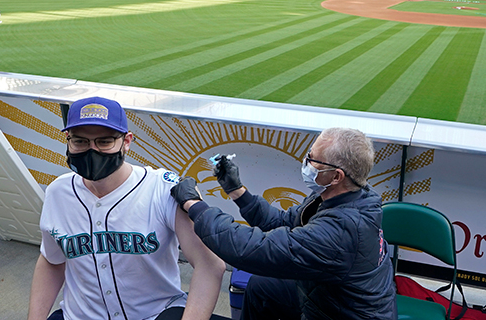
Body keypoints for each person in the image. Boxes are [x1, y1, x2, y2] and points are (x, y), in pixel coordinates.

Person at [28, 96, 227, 320]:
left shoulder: (162, 189)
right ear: (68, 140)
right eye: (80, 141)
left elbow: (209, 265)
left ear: (127, 141)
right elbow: (52, 261)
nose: (92, 150)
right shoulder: (58, 192)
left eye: (104, 141)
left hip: (155, 314)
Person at [170, 127, 397, 320]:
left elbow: (252, 249)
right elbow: (280, 222)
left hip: (343, 313)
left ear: (337, 176)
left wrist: (195, 205)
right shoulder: (340, 196)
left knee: (262, 275)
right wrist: (236, 191)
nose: (306, 163)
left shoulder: (340, 231)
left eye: (313, 160)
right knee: (262, 287)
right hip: (328, 295)